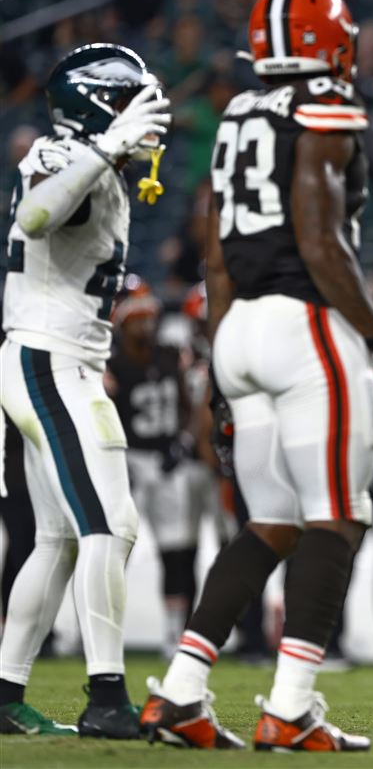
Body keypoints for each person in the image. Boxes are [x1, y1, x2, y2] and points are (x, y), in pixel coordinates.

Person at [140, 0, 373, 752]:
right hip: (308, 328)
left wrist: (217, 365)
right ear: (328, 43)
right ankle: (291, 705)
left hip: (238, 331)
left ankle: (179, 693)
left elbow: (215, 252)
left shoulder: (237, 114)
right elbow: (319, 239)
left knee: (269, 525)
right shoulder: (325, 110)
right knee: (337, 517)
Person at [0, 43, 170, 738]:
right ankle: (106, 699)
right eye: (131, 100)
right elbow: (35, 216)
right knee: (110, 525)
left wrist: (107, 153)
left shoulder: (87, 160)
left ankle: (5, 693)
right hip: (49, 360)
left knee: (59, 539)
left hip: (58, 360)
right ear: (101, 104)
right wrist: (104, 151)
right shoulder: (60, 154)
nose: (146, 115)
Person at [106, 277, 197, 658]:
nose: (145, 325)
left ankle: (175, 636)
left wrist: (183, 442)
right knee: (112, 548)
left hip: (165, 460)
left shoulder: (171, 354)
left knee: (175, 550)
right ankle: (99, 632)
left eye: (149, 317)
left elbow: (188, 406)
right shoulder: (110, 364)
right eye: (136, 318)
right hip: (127, 459)